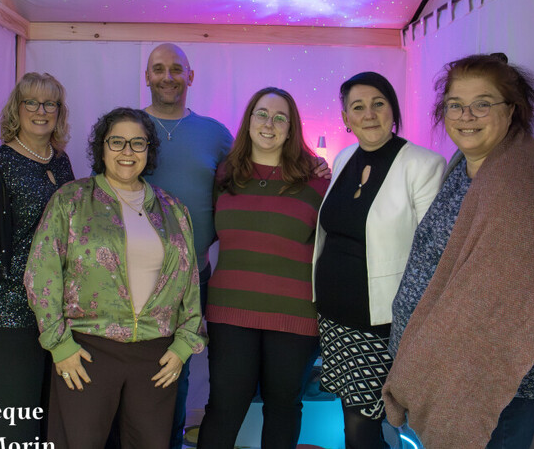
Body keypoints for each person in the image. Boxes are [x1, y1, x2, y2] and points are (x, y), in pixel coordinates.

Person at [382, 54, 534, 449]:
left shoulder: (519, 186)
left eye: (482, 103)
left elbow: (497, 316)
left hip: (504, 384)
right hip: (457, 370)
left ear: (511, 110)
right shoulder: (467, 163)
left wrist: (428, 367)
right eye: (455, 105)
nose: (466, 115)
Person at [24, 107, 205, 449]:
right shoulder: (71, 200)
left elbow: (189, 283)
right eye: (117, 141)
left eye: (137, 143)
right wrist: (59, 346)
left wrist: (183, 346)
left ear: (149, 150)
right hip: (86, 350)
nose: (127, 151)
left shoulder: (172, 209)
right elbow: (41, 274)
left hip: (155, 356)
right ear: (102, 148)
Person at [312, 72, 444, 449]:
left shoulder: (423, 164)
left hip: (379, 322)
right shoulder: (342, 157)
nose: (369, 114)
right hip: (333, 315)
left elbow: (432, 253)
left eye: (378, 104)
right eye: (358, 107)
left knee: (363, 424)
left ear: (393, 110)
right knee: (350, 416)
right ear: (346, 119)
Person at [196, 87, 329, 449]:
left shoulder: (317, 179)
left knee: (283, 409)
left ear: (291, 128)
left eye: (280, 117)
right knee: (224, 409)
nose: (269, 124)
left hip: (296, 316)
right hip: (230, 312)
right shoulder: (224, 174)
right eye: (261, 114)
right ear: (249, 120)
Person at [0, 72, 75, 440]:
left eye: (50, 103)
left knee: (48, 425)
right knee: (12, 428)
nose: (41, 111)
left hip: (56, 312)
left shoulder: (61, 162)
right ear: (16, 109)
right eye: (32, 102)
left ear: (59, 111)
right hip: (9, 313)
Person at [141, 43, 234, 448]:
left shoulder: (215, 134)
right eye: (158, 69)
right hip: (134, 277)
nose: (167, 76)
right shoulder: (128, 127)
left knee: (177, 372)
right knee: (136, 369)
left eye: (176, 69)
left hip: (196, 275)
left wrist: (314, 164)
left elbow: (248, 180)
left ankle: (172, 442)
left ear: (190, 76)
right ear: (147, 77)